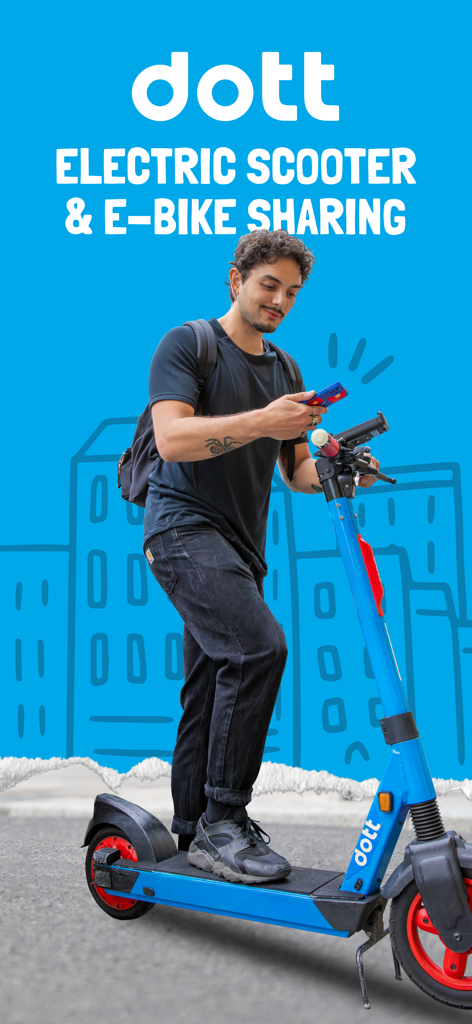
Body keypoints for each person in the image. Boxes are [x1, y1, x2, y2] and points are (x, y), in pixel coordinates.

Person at [143, 229, 378, 885]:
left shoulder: (287, 371)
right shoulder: (188, 345)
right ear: (236, 279)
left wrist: (338, 465)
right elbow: (171, 439)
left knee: (208, 686)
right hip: (181, 531)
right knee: (257, 649)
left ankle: (193, 830)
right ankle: (225, 823)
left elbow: (295, 470)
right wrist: (262, 421)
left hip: (239, 547)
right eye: (268, 284)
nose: (279, 300)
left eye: (292, 292)